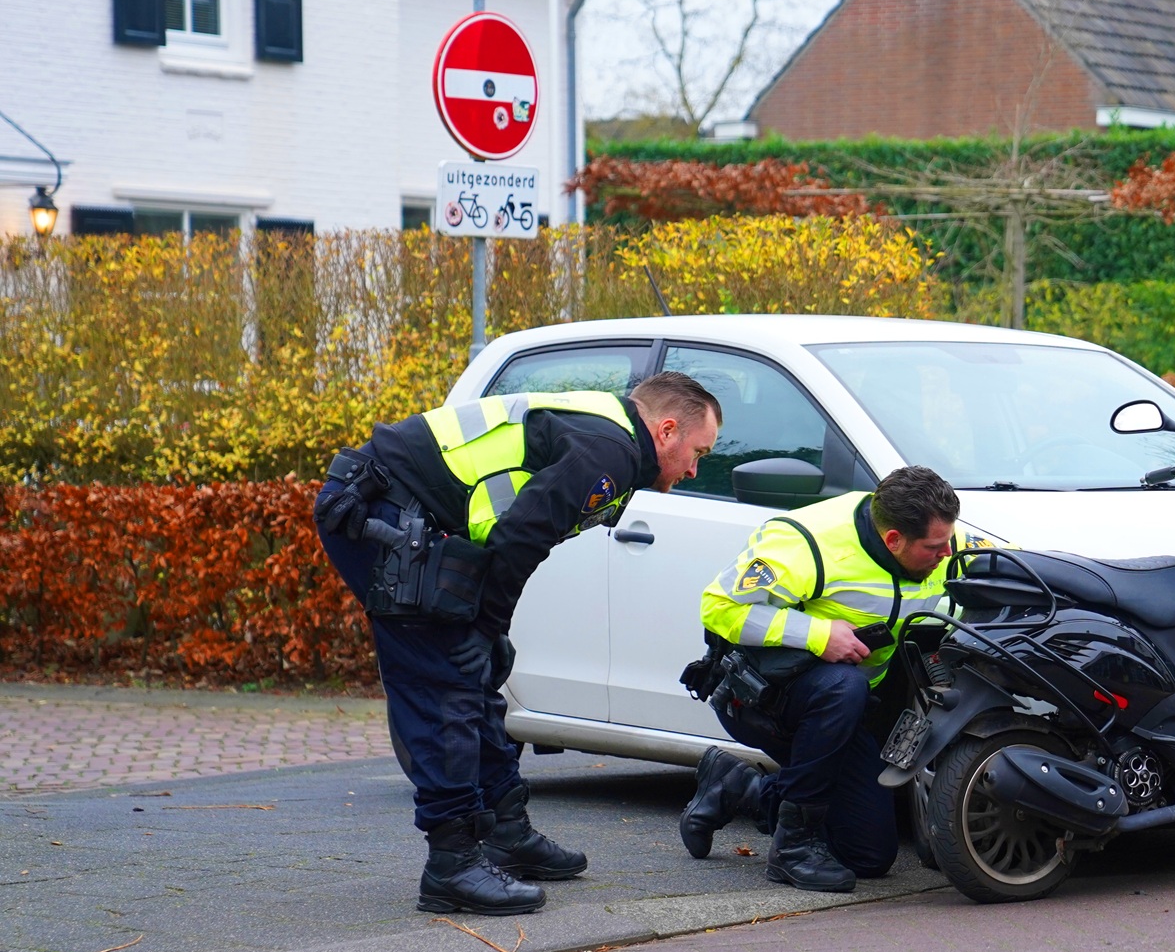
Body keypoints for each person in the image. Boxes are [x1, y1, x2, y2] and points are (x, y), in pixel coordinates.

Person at [314, 371, 720, 916]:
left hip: (403, 508)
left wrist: (490, 631)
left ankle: (504, 830)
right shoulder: (612, 451)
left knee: (473, 675)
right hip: (378, 512)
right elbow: (522, 535)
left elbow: (512, 531)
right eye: (698, 452)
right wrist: (485, 629)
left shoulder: (611, 437)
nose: (695, 469)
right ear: (667, 431)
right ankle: (451, 865)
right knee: (444, 685)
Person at [684, 466, 987, 892]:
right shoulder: (806, 543)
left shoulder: (940, 538)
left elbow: (1004, 563)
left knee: (869, 856)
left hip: (852, 711)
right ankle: (792, 850)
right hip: (768, 700)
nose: (946, 554)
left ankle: (738, 786)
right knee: (845, 685)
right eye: (934, 548)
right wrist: (816, 634)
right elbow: (719, 607)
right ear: (893, 540)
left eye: (948, 542)